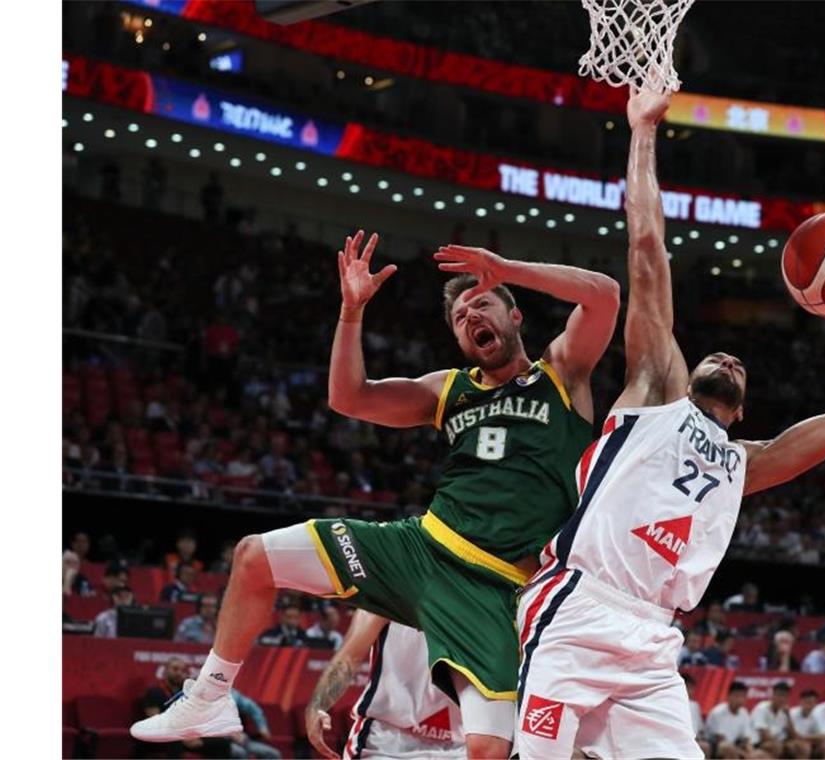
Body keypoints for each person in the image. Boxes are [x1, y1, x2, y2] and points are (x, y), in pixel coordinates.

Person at [132, 221, 620, 760]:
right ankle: (209, 695)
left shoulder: (563, 373)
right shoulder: (449, 389)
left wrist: (505, 270)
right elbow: (348, 397)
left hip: (495, 584)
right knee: (252, 556)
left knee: (487, 750)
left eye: (482, 306)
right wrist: (351, 312)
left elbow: (604, 296)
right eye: (460, 318)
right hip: (419, 548)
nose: (471, 318)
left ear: (515, 315)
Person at [512, 87, 825, 759]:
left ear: (742, 409)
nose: (726, 357)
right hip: (577, 606)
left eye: (739, 365)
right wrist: (642, 132)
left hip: (652, 640)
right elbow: (645, 247)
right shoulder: (654, 390)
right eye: (717, 355)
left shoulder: (743, 463)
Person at [305, 609, 464, 759]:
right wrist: (318, 704)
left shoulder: (480, 598)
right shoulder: (386, 593)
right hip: (386, 741)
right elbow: (348, 659)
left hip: (463, 745)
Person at [705, 682, 763, 759]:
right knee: (727, 747)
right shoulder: (718, 712)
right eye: (737, 696)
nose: (740, 699)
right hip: (715, 746)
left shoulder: (744, 712)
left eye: (743, 696)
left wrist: (752, 754)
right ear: (728, 696)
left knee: (759, 754)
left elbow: (746, 739)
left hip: (734, 745)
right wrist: (744, 754)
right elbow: (721, 740)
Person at [751, 682, 806, 759]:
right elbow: (764, 736)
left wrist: (788, 716)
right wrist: (781, 743)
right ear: (773, 695)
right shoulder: (761, 708)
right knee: (776, 746)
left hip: (778, 742)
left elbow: (793, 736)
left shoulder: (784, 712)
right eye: (779, 695)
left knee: (801, 746)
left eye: (785, 696)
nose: (782, 699)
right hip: (759, 743)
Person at [790, 690, 825, 760]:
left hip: (810, 742)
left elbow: (823, 737)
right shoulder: (792, 714)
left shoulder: (817, 715)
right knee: (804, 747)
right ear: (800, 702)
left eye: (812, 703)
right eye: (807, 702)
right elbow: (794, 736)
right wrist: (809, 738)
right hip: (792, 742)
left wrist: (804, 737)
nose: (809, 705)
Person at [683, 673, 712, 759]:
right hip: (681, 739)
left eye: (692, 688)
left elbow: (700, 728)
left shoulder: (695, 705)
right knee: (704, 747)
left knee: (705, 746)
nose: (690, 691)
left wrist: (701, 737)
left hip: (695, 739)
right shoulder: (674, 703)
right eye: (688, 687)